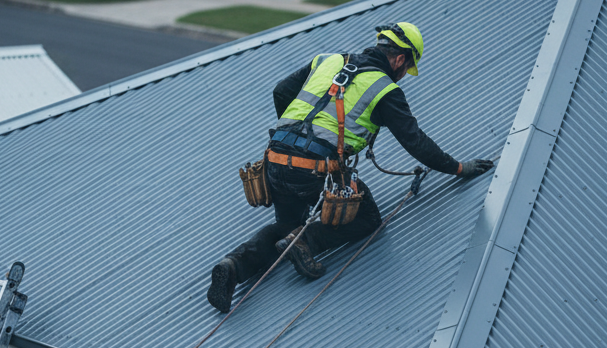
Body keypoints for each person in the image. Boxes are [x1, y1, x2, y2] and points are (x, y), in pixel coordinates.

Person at [206, 22, 495, 313]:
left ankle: (232, 265)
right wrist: (459, 168)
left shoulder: (328, 60)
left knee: (286, 223)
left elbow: (281, 91)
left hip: (275, 161)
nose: (405, 75)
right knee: (367, 218)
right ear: (399, 59)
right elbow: (416, 142)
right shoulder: (385, 88)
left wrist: (294, 135)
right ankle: (303, 242)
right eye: (407, 68)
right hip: (314, 170)